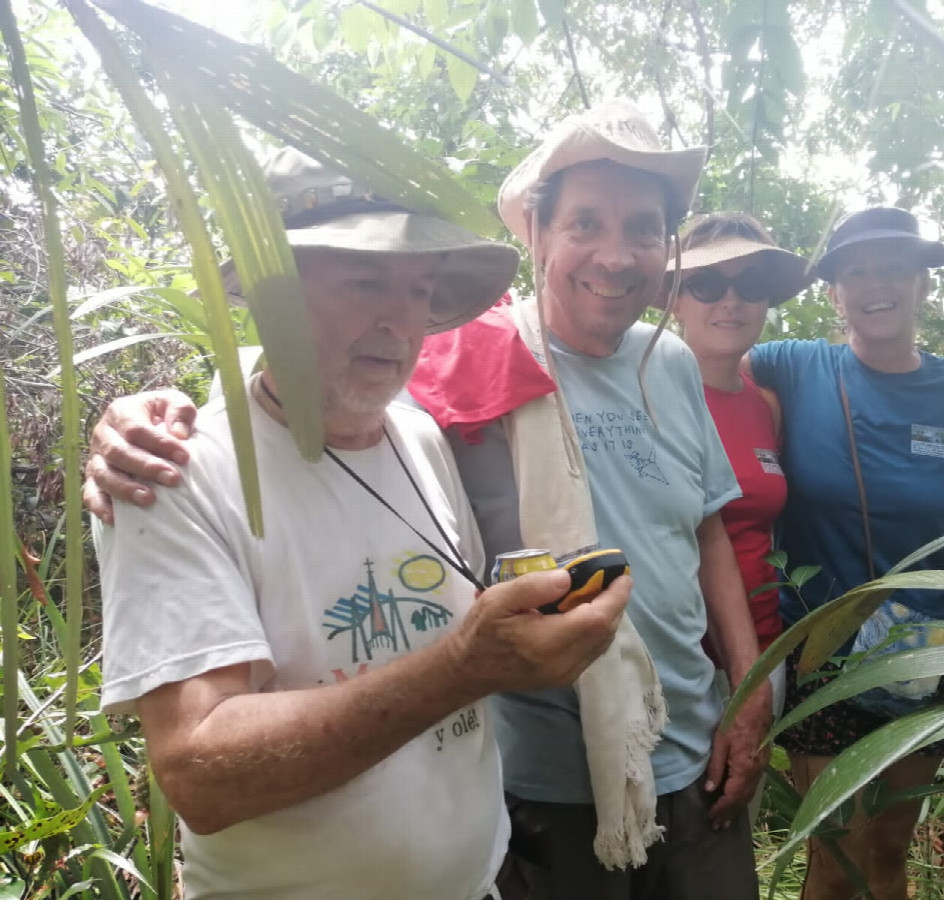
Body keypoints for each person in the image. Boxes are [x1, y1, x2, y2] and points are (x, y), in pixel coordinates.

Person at [84, 103, 772, 900]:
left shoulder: (421, 438)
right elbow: (200, 775)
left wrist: (747, 696)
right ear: (540, 234)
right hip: (545, 798)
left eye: (418, 288)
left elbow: (706, 528)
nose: (398, 320)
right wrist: (140, 419)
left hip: (559, 823)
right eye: (363, 280)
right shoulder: (185, 469)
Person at [748, 206, 944, 900]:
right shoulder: (793, 366)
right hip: (824, 647)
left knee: (887, 847)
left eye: (894, 269)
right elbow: (704, 358)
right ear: (834, 293)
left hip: (932, 647)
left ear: (922, 285)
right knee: (836, 852)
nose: (875, 285)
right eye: (856, 272)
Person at [668, 212, 812, 712]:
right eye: (706, 283)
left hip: (763, 648)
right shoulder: (643, 395)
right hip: (673, 661)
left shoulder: (764, 405)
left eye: (750, 285)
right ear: (676, 300)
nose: (730, 301)